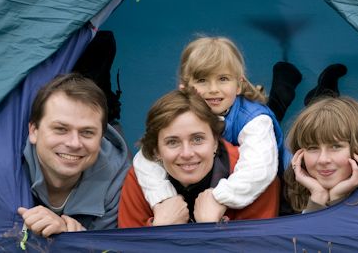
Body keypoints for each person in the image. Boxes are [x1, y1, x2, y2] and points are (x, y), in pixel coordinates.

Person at [132, 36, 287, 218]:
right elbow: (146, 157)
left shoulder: (255, 120)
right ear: (184, 87)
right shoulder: (178, 113)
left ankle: (284, 90)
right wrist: (163, 199)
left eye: (223, 79)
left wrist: (219, 197)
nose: (213, 89)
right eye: (202, 80)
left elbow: (259, 170)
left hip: (273, 185)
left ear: (239, 85)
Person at [118, 90, 279, 227]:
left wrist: (214, 228)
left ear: (215, 142)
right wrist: (159, 228)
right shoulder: (139, 179)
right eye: (172, 142)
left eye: (197, 139)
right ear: (156, 150)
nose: (187, 153)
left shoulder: (255, 178)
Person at [17, 73, 130, 237]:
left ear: (101, 138)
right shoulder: (6, 165)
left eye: (87, 132)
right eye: (61, 129)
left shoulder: (119, 182)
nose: (74, 143)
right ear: (34, 131)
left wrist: (75, 238)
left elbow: (111, 246)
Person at [284, 96, 358, 213]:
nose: (323, 160)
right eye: (313, 148)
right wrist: (318, 197)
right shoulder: (290, 195)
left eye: (336, 146)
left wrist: (337, 198)